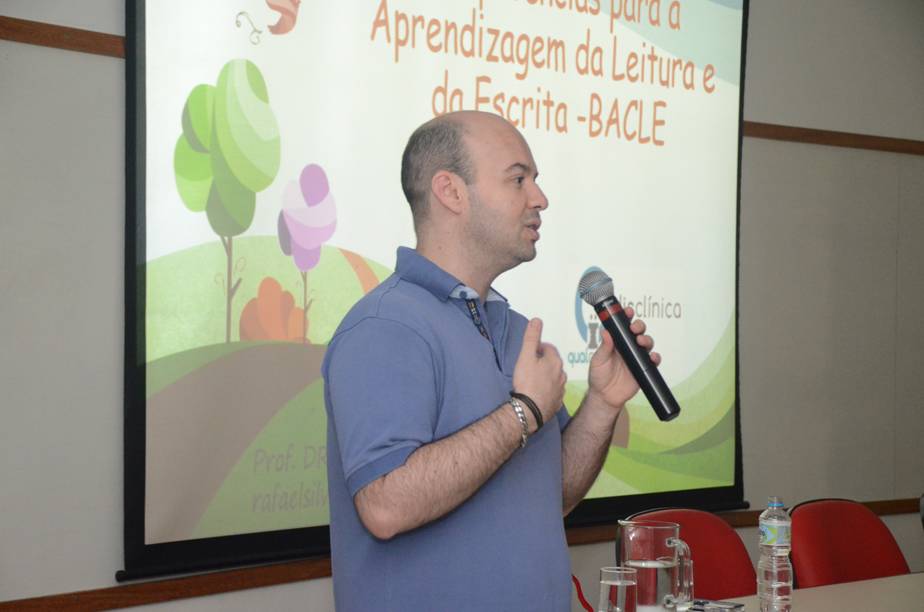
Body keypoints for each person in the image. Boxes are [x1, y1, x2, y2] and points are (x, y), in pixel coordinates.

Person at [322, 110, 659, 611]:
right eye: (518, 179)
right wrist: (523, 411)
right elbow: (386, 505)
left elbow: (555, 495)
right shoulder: (385, 326)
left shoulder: (517, 329)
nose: (539, 199)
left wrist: (603, 403)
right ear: (451, 192)